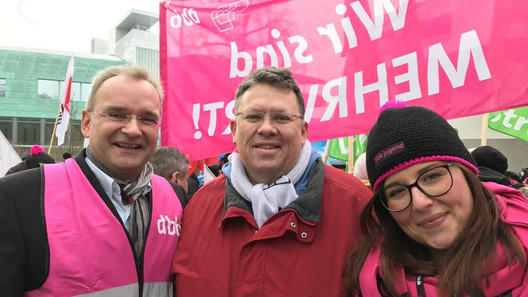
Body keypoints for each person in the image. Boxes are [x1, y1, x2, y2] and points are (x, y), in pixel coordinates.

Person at [172, 67, 372, 296]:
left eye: (281, 117)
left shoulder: (358, 207)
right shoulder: (197, 209)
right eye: (254, 117)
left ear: (303, 130)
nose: (266, 128)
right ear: (234, 130)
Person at [0, 65, 185, 296]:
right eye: (117, 114)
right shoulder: (19, 197)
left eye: (147, 119)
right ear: (86, 123)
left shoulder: (175, 198)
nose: (133, 129)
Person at [346, 104, 528, 296]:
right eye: (397, 191)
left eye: (432, 177)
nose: (420, 203)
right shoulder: (373, 283)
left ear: (468, 174)